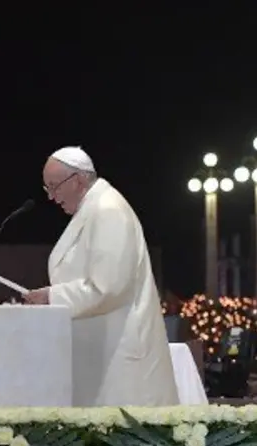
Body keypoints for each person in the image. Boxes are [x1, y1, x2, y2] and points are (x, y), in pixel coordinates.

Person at [24, 147, 178, 407]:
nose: (51, 197)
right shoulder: (93, 209)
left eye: (54, 186)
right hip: (101, 352)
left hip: (119, 355)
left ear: (78, 180)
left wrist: (51, 296)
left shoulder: (108, 210)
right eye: (46, 188)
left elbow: (107, 288)